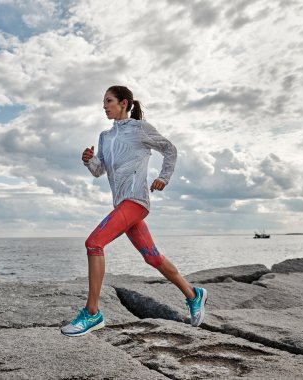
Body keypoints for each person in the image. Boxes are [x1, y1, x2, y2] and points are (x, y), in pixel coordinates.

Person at [60, 85, 207, 337]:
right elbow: (100, 170)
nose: (104, 106)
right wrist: (89, 161)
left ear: (124, 103)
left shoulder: (140, 129)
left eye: (109, 101)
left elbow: (169, 149)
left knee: (94, 243)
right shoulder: (105, 137)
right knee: (152, 257)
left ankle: (92, 313)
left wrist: (164, 177)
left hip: (136, 200)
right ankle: (194, 295)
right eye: (103, 102)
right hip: (121, 204)